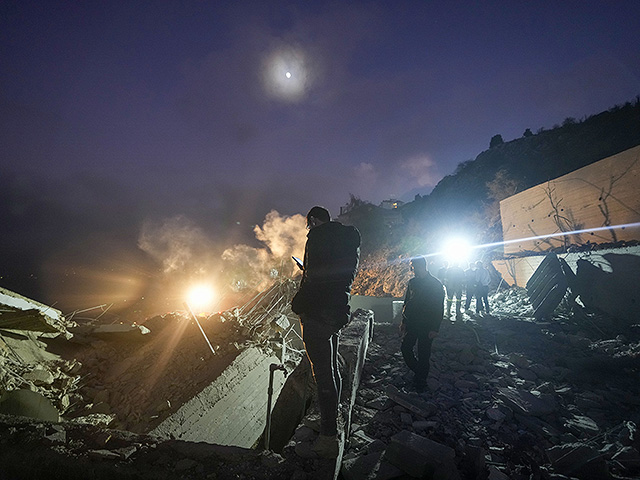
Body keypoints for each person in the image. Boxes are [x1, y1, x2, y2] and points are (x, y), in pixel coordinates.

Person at [291, 206, 361, 458]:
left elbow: (315, 282)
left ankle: (328, 437)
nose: (308, 229)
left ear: (312, 221)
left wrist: (297, 304)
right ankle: (335, 414)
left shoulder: (318, 239)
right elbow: (334, 277)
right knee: (331, 367)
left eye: (308, 225)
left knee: (322, 375)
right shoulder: (347, 239)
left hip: (317, 315)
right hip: (336, 313)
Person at [399, 256, 445, 393]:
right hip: (412, 323)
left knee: (423, 354)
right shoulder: (412, 283)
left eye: (413, 267)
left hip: (427, 326)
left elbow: (439, 308)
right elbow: (407, 302)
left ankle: (420, 382)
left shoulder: (436, 285)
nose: (412, 270)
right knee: (405, 348)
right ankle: (420, 372)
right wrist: (404, 321)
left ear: (421, 266)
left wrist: (435, 328)